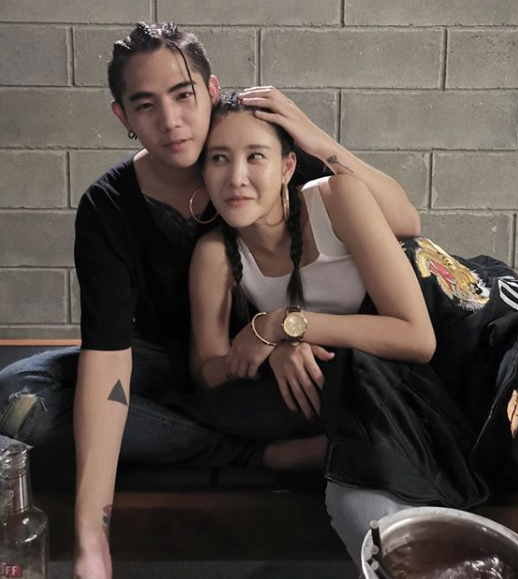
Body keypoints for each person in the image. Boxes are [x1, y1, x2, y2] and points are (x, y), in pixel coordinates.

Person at [0, 23, 421, 579]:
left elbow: (404, 221)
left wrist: (317, 139)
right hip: (168, 361)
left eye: (183, 95)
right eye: (145, 105)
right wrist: (91, 543)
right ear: (123, 117)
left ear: (211, 89)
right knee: (19, 398)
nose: (171, 121)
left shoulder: (253, 150)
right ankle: (252, 453)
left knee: (63, 418)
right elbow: (109, 355)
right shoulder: (110, 206)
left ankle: (224, 439)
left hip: (253, 362)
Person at [189, 92, 518, 571]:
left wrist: (285, 324)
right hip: (390, 396)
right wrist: (273, 346)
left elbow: (417, 338)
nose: (236, 177)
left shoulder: (335, 199)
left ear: (286, 166)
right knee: (368, 521)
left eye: (255, 156)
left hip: (477, 349)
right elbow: (208, 370)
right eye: (219, 158)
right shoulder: (216, 255)